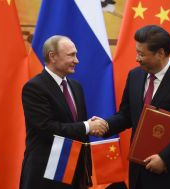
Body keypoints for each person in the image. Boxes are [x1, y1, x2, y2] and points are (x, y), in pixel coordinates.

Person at [96, 25, 170, 189]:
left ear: (160, 53)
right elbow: (126, 115)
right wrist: (105, 125)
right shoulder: (135, 75)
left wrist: (164, 158)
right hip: (139, 172)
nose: (137, 59)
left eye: (141, 54)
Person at [19, 35, 108, 189]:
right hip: (45, 176)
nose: (77, 60)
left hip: (74, 172)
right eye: (71, 55)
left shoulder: (76, 87)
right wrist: (87, 126)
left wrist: (91, 125)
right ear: (52, 56)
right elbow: (46, 129)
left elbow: (77, 126)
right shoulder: (34, 88)